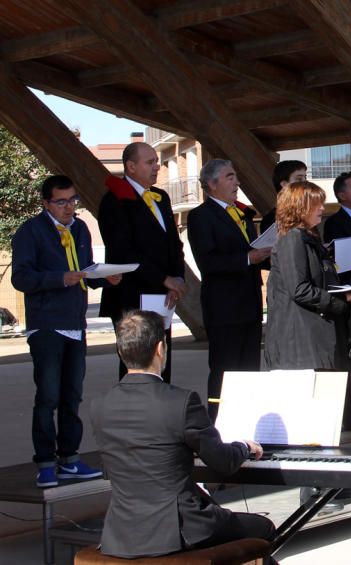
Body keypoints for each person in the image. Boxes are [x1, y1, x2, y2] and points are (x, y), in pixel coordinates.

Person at [91, 310, 274, 560]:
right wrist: (243, 446)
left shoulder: (100, 405)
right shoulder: (181, 401)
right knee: (263, 528)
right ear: (159, 348)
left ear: (121, 351)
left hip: (121, 533)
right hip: (179, 528)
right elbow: (222, 462)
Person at [12, 175, 121, 488]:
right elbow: (21, 278)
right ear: (46, 203)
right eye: (61, 202)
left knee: (72, 396)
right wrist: (60, 278)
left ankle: (70, 460)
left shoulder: (81, 229)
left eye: (73, 200)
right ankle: (46, 463)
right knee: (48, 396)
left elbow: (84, 269)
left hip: (76, 324)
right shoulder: (31, 232)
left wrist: (104, 278)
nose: (69, 207)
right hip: (46, 324)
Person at [264, 181, 351, 510]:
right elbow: (300, 289)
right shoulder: (293, 240)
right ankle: (311, 489)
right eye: (316, 203)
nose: (321, 208)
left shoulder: (308, 238)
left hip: (315, 339)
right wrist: (338, 301)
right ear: (299, 207)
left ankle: (326, 482)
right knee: (310, 419)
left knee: (323, 416)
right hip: (301, 343)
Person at [187, 159, 270, 421]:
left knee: (249, 369)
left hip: (250, 303)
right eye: (229, 177)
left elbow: (254, 252)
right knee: (225, 370)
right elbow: (208, 262)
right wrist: (248, 259)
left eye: (235, 176)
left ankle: (247, 423)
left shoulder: (243, 214)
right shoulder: (201, 216)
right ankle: (219, 424)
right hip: (223, 307)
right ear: (211, 185)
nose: (237, 182)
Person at [98, 142, 186, 382]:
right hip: (131, 296)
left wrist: (177, 279)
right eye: (150, 162)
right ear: (131, 166)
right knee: (136, 362)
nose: (157, 167)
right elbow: (123, 251)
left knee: (161, 358)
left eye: (157, 161)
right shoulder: (114, 200)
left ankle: (160, 411)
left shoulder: (162, 197)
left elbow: (174, 245)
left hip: (163, 296)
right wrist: (163, 278)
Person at [322, 171, 351, 436]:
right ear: (341, 195)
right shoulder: (335, 222)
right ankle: (345, 413)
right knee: (346, 356)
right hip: (348, 292)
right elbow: (338, 261)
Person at [260, 159, 307, 236]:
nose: (305, 182)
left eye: (305, 177)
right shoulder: (271, 220)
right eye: (299, 179)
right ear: (284, 184)